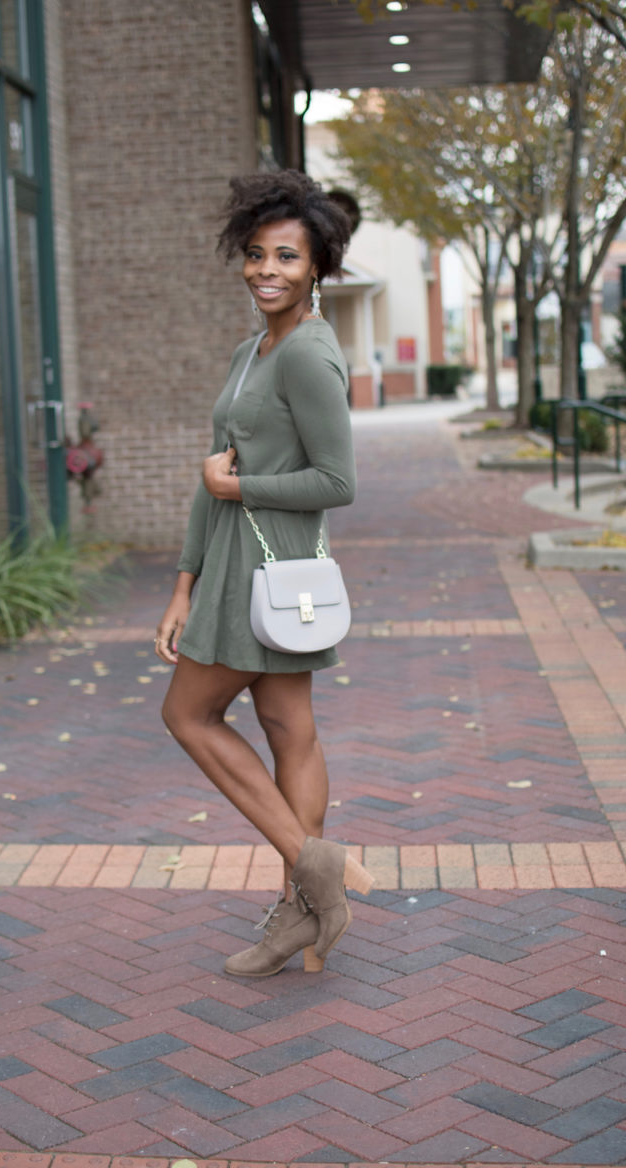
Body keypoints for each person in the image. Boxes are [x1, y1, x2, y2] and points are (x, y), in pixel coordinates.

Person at [155, 170, 373, 977]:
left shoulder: (309, 353)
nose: (266, 269)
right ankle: (301, 915)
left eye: (286, 255)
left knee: (188, 716)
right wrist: (182, 583)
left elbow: (338, 482)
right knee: (289, 729)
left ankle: (312, 871)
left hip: (269, 571)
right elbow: (215, 474)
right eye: (255, 254)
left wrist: (236, 487)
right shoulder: (255, 347)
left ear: (317, 265)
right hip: (250, 570)